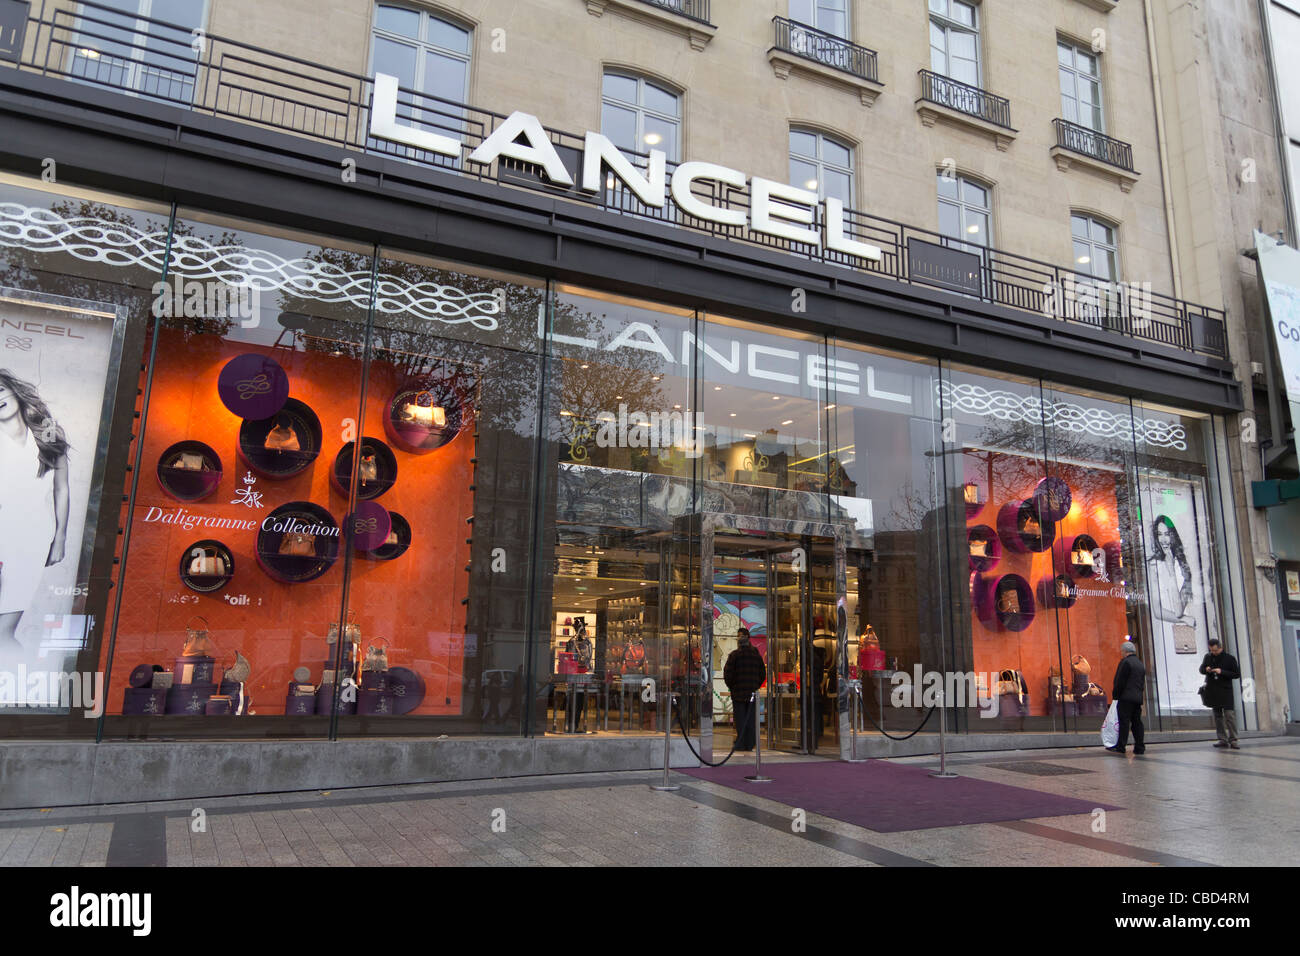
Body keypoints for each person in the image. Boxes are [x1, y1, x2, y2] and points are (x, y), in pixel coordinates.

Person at [0, 369, 70, 653]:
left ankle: (14, 687)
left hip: (31, 541)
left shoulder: (47, 434)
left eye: (0, 390)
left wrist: (60, 538)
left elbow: (61, 489)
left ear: (14, 390)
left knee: (4, 630)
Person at [723, 627, 766, 751]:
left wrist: (732, 686)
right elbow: (762, 673)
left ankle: (741, 743)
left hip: (738, 694)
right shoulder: (755, 655)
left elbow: (727, 674)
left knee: (741, 720)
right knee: (751, 719)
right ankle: (750, 743)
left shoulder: (734, 655)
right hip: (751, 692)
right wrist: (755, 685)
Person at [1200, 638, 1240, 749]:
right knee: (1218, 716)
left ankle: (1233, 739)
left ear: (1221, 648)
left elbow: (1236, 674)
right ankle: (1222, 739)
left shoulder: (1230, 659)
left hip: (1226, 691)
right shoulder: (1208, 657)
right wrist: (1206, 669)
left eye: (1215, 651)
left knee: (1229, 716)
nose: (1213, 653)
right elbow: (1201, 669)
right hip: (1213, 690)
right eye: (1211, 650)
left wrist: (1221, 672)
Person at [1107, 641, 1146, 755]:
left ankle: (1121, 746)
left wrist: (1115, 696)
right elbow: (1141, 683)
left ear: (1125, 651)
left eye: (1122, 651)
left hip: (1126, 698)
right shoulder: (1140, 664)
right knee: (1137, 722)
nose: (1121, 653)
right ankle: (1139, 747)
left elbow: (1120, 681)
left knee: (1124, 722)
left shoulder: (1125, 662)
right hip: (1137, 698)